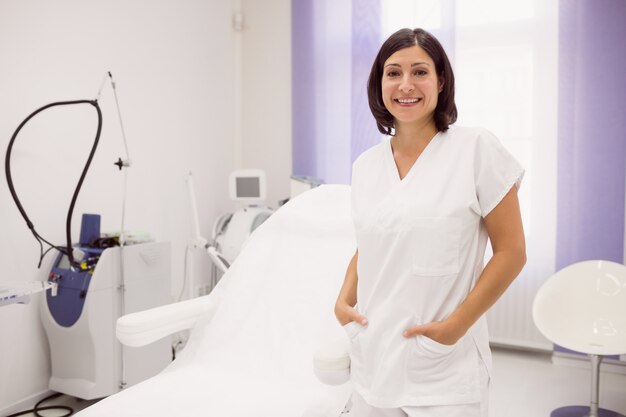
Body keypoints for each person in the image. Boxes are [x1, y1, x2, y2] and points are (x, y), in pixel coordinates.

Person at [334, 28, 526, 417]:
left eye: (419, 72)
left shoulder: (475, 149)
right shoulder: (366, 166)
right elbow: (370, 241)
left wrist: (455, 327)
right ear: (379, 83)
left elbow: (511, 252)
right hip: (375, 358)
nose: (406, 84)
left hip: (444, 367)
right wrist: (343, 299)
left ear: (441, 81)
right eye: (393, 73)